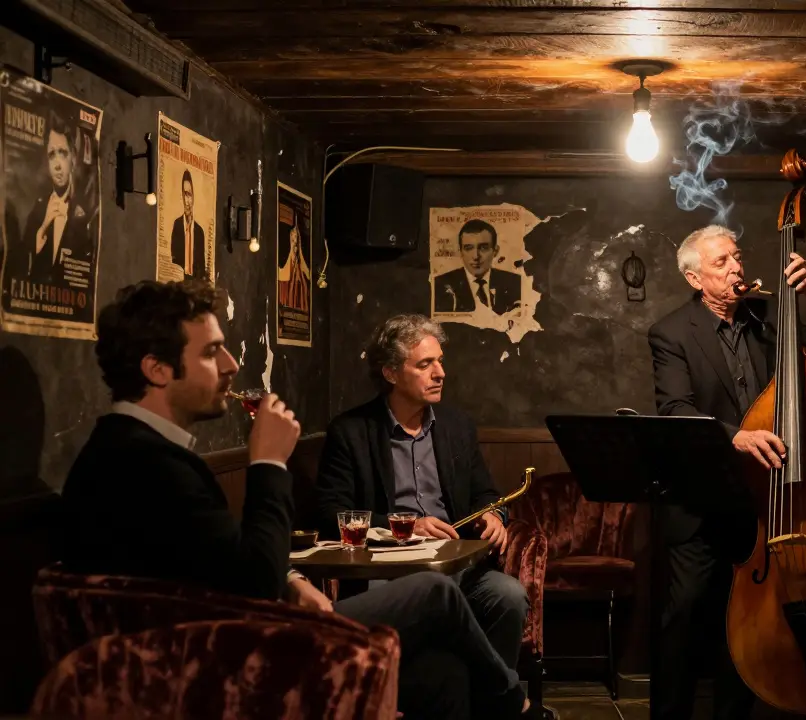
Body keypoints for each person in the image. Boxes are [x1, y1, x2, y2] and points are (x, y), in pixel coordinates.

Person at [60, 279, 527, 720]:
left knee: (444, 672)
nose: (230, 364)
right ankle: (513, 701)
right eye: (210, 352)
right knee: (433, 591)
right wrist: (266, 463)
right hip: (231, 656)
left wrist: (290, 579)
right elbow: (254, 576)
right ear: (156, 369)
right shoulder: (142, 464)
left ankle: (502, 699)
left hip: (241, 629)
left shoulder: (135, 451)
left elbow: (222, 558)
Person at [647, 224, 806, 720]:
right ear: (696, 279)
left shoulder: (768, 317)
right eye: (722, 262)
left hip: (762, 501)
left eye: (736, 257)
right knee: (685, 618)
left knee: (744, 620)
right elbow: (674, 408)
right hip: (699, 503)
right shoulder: (670, 333)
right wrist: (734, 436)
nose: (737, 267)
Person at [312, 313, 529, 674]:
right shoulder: (350, 432)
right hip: (387, 572)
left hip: (455, 564)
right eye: (425, 364)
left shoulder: (457, 427)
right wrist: (407, 526)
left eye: (440, 361)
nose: (440, 373)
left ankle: (489, 708)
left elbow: (486, 494)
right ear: (391, 373)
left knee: (508, 596)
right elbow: (330, 512)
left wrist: (494, 515)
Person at [20, 112, 95, 287]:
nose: (57, 164)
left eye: (63, 153)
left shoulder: (86, 213)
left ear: (74, 159)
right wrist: (43, 229)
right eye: (52, 154)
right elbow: (21, 267)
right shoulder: (37, 211)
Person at [433, 219, 522, 315]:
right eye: (468, 248)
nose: (476, 256)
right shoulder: (439, 285)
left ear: (495, 251)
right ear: (460, 252)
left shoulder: (516, 283)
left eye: (483, 248)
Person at [170, 169, 207, 280]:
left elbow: (202, 266)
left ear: (194, 196)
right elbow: (173, 260)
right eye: (184, 194)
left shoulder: (199, 231)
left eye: (189, 195)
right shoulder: (177, 225)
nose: (187, 201)